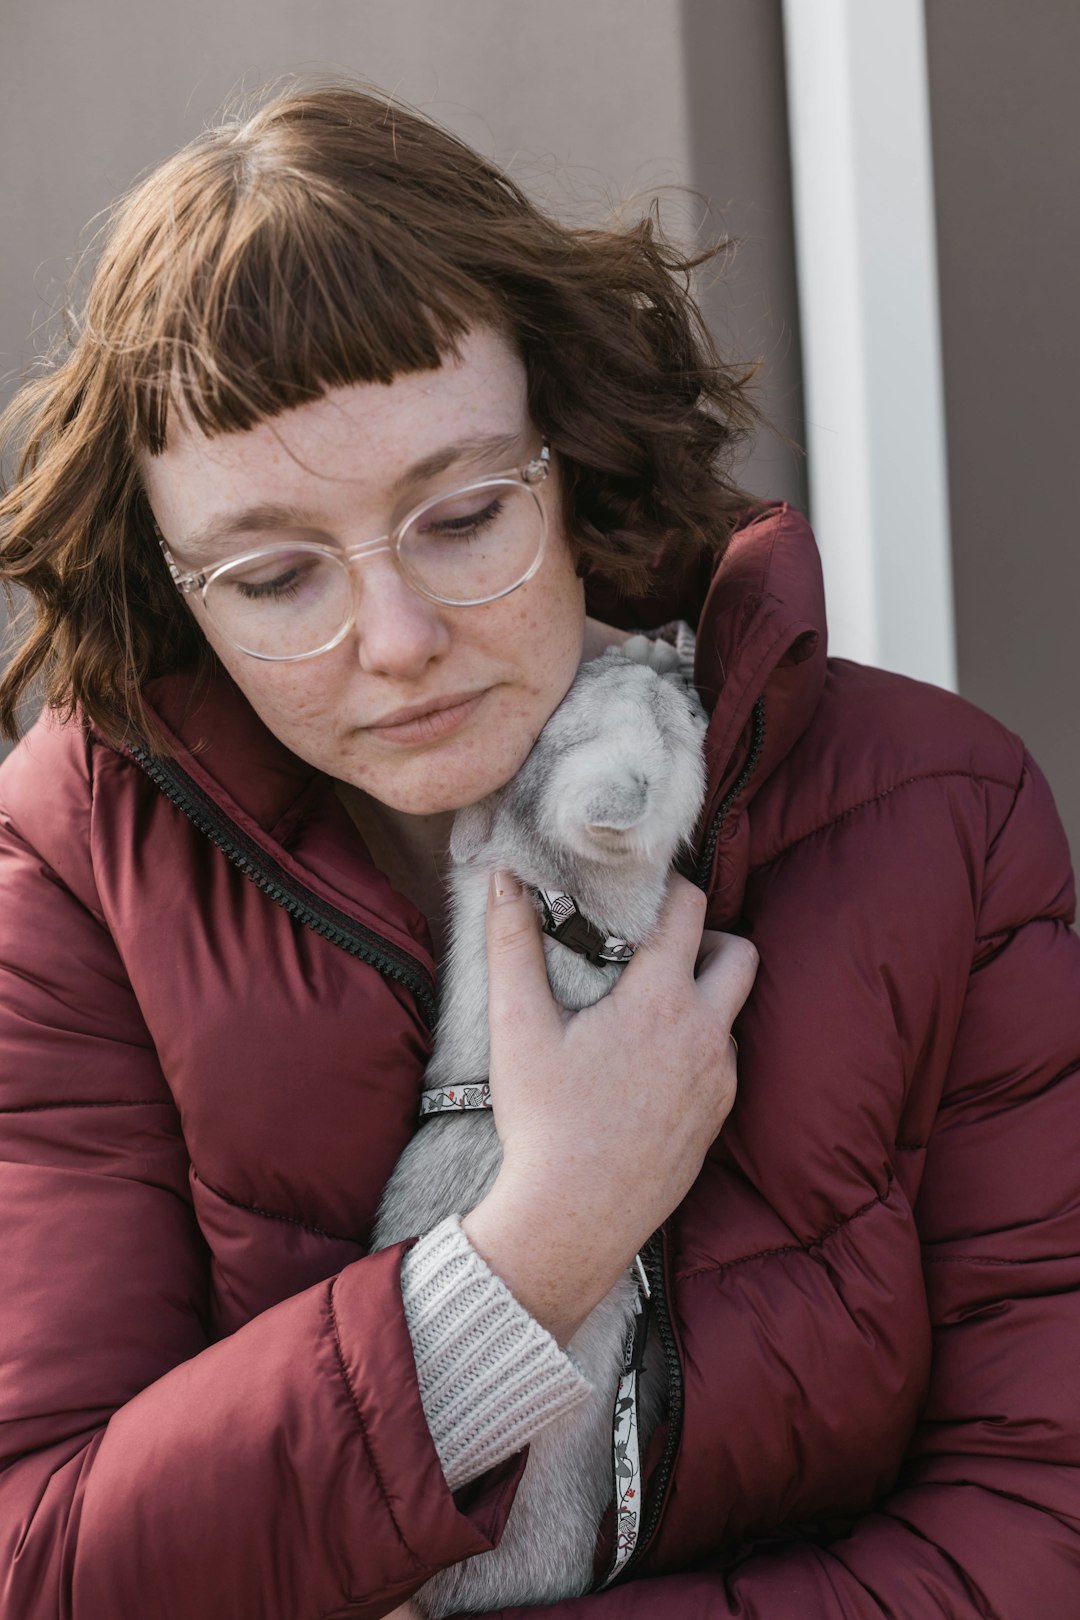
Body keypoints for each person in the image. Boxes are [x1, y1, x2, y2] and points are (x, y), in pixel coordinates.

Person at [0, 76, 1077, 1620]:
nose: (395, 641)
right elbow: (45, 1566)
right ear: (175, 592)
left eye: (461, 517)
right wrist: (538, 1246)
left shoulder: (939, 815)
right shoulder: (71, 874)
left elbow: (1038, 1521)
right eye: (275, 576)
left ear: (568, 455)